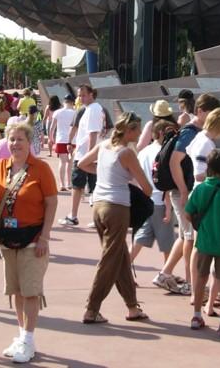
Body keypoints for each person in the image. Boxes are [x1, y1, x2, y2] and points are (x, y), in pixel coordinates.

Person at [0, 123, 58, 364]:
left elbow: (51, 202)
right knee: (16, 290)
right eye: (12, 139)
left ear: (29, 143)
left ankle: (28, 339)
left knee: (30, 291)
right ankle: (22, 336)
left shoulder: (41, 169)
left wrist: (45, 236)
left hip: (33, 239)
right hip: (8, 240)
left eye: (20, 139)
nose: (15, 144)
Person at [78, 112, 152, 324]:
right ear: (129, 130)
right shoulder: (126, 153)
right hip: (117, 208)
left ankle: (132, 306)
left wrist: (103, 174)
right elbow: (146, 188)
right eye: (137, 129)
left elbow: (82, 163)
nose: (139, 133)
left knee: (120, 257)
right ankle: (91, 309)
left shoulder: (103, 146)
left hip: (98, 205)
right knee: (110, 260)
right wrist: (128, 182)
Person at [152, 93, 220, 295]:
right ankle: (191, 284)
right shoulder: (190, 133)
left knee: (185, 235)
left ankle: (165, 274)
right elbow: (175, 161)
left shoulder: (195, 132)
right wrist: (183, 191)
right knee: (190, 237)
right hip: (183, 191)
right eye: (211, 114)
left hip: (182, 190)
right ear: (200, 111)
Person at [187, 150, 220, 338]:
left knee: (201, 279)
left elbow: (188, 213)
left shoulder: (199, 189)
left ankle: (196, 316)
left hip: (204, 241)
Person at [131, 120, 176, 265]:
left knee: (141, 237)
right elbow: (165, 182)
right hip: (160, 201)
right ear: (163, 133)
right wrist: (168, 207)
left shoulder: (144, 152)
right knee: (168, 243)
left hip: (145, 200)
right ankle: (166, 273)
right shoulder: (164, 153)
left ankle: (123, 265)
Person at [59, 84, 104, 227]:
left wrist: (90, 155)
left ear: (91, 94)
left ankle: (75, 216)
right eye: (79, 95)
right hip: (86, 154)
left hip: (86, 156)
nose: (81, 98)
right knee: (89, 187)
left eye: (83, 95)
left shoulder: (93, 110)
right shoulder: (89, 109)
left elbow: (93, 133)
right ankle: (85, 217)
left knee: (82, 186)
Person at [49, 94, 76, 190]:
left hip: (60, 139)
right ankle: (69, 183)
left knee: (62, 162)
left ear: (64, 101)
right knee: (70, 163)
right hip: (73, 140)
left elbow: (52, 127)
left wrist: (51, 138)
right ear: (73, 102)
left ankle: (62, 184)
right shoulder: (75, 113)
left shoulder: (57, 112)